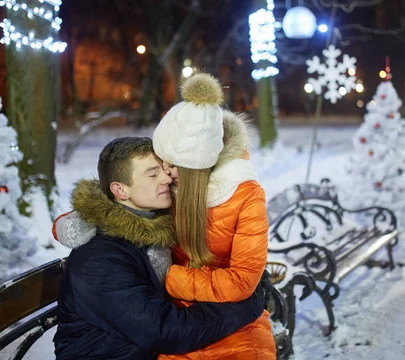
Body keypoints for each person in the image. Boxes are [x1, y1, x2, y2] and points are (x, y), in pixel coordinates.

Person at [52, 136, 267, 360]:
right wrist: (246, 305)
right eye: (152, 174)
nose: (166, 178)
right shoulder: (99, 260)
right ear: (121, 190)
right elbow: (166, 331)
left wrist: (246, 279)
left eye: (164, 169)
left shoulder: (156, 230)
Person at [151, 72, 276, 359]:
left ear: (198, 165)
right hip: (177, 319)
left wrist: (168, 276)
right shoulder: (165, 184)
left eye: (174, 164)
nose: (165, 171)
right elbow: (119, 193)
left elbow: (242, 281)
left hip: (234, 317)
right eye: (162, 159)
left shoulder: (243, 193)